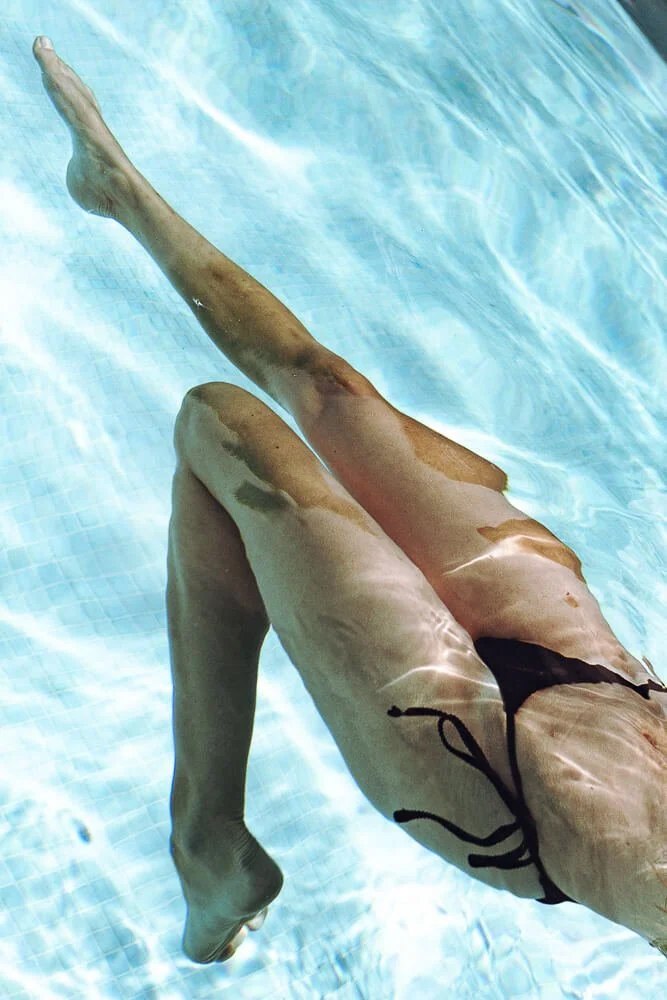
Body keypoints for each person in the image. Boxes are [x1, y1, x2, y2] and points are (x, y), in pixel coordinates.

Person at [32, 36, 667, 965]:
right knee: (331, 391)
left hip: (485, 779)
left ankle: (204, 839)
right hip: (611, 691)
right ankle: (118, 188)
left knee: (221, 430)